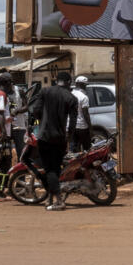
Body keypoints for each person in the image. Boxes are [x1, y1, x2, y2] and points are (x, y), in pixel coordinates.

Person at [28, 72, 78, 211]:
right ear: (68, 81)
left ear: (57, 80)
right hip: (60, 138)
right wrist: (68, 138)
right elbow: (73, 123)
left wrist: (42, 120)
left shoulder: (45, 91)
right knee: (55, 169)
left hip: (44, 136)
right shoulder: (72, 98)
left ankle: (59, 201)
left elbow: (35, 110)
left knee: (50, 170)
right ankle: (50, 199)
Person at [0, 73, 15, 201]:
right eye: (11, 82)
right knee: (3, 162)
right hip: (1, 135)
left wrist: (7, 119)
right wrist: (4, 131)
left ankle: (0, 190)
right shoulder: (1, 95)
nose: (12, 85)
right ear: (6, 83)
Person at [70, 76, 93, 152]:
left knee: (74, 149)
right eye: (84, 85)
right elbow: (85, 114)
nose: (85, 86)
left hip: (72, 126)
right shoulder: (84, 97)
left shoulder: (70, 95)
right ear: (80, 84)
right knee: (87, 148)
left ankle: (75, 163)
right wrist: (90, 127)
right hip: (82, 127)